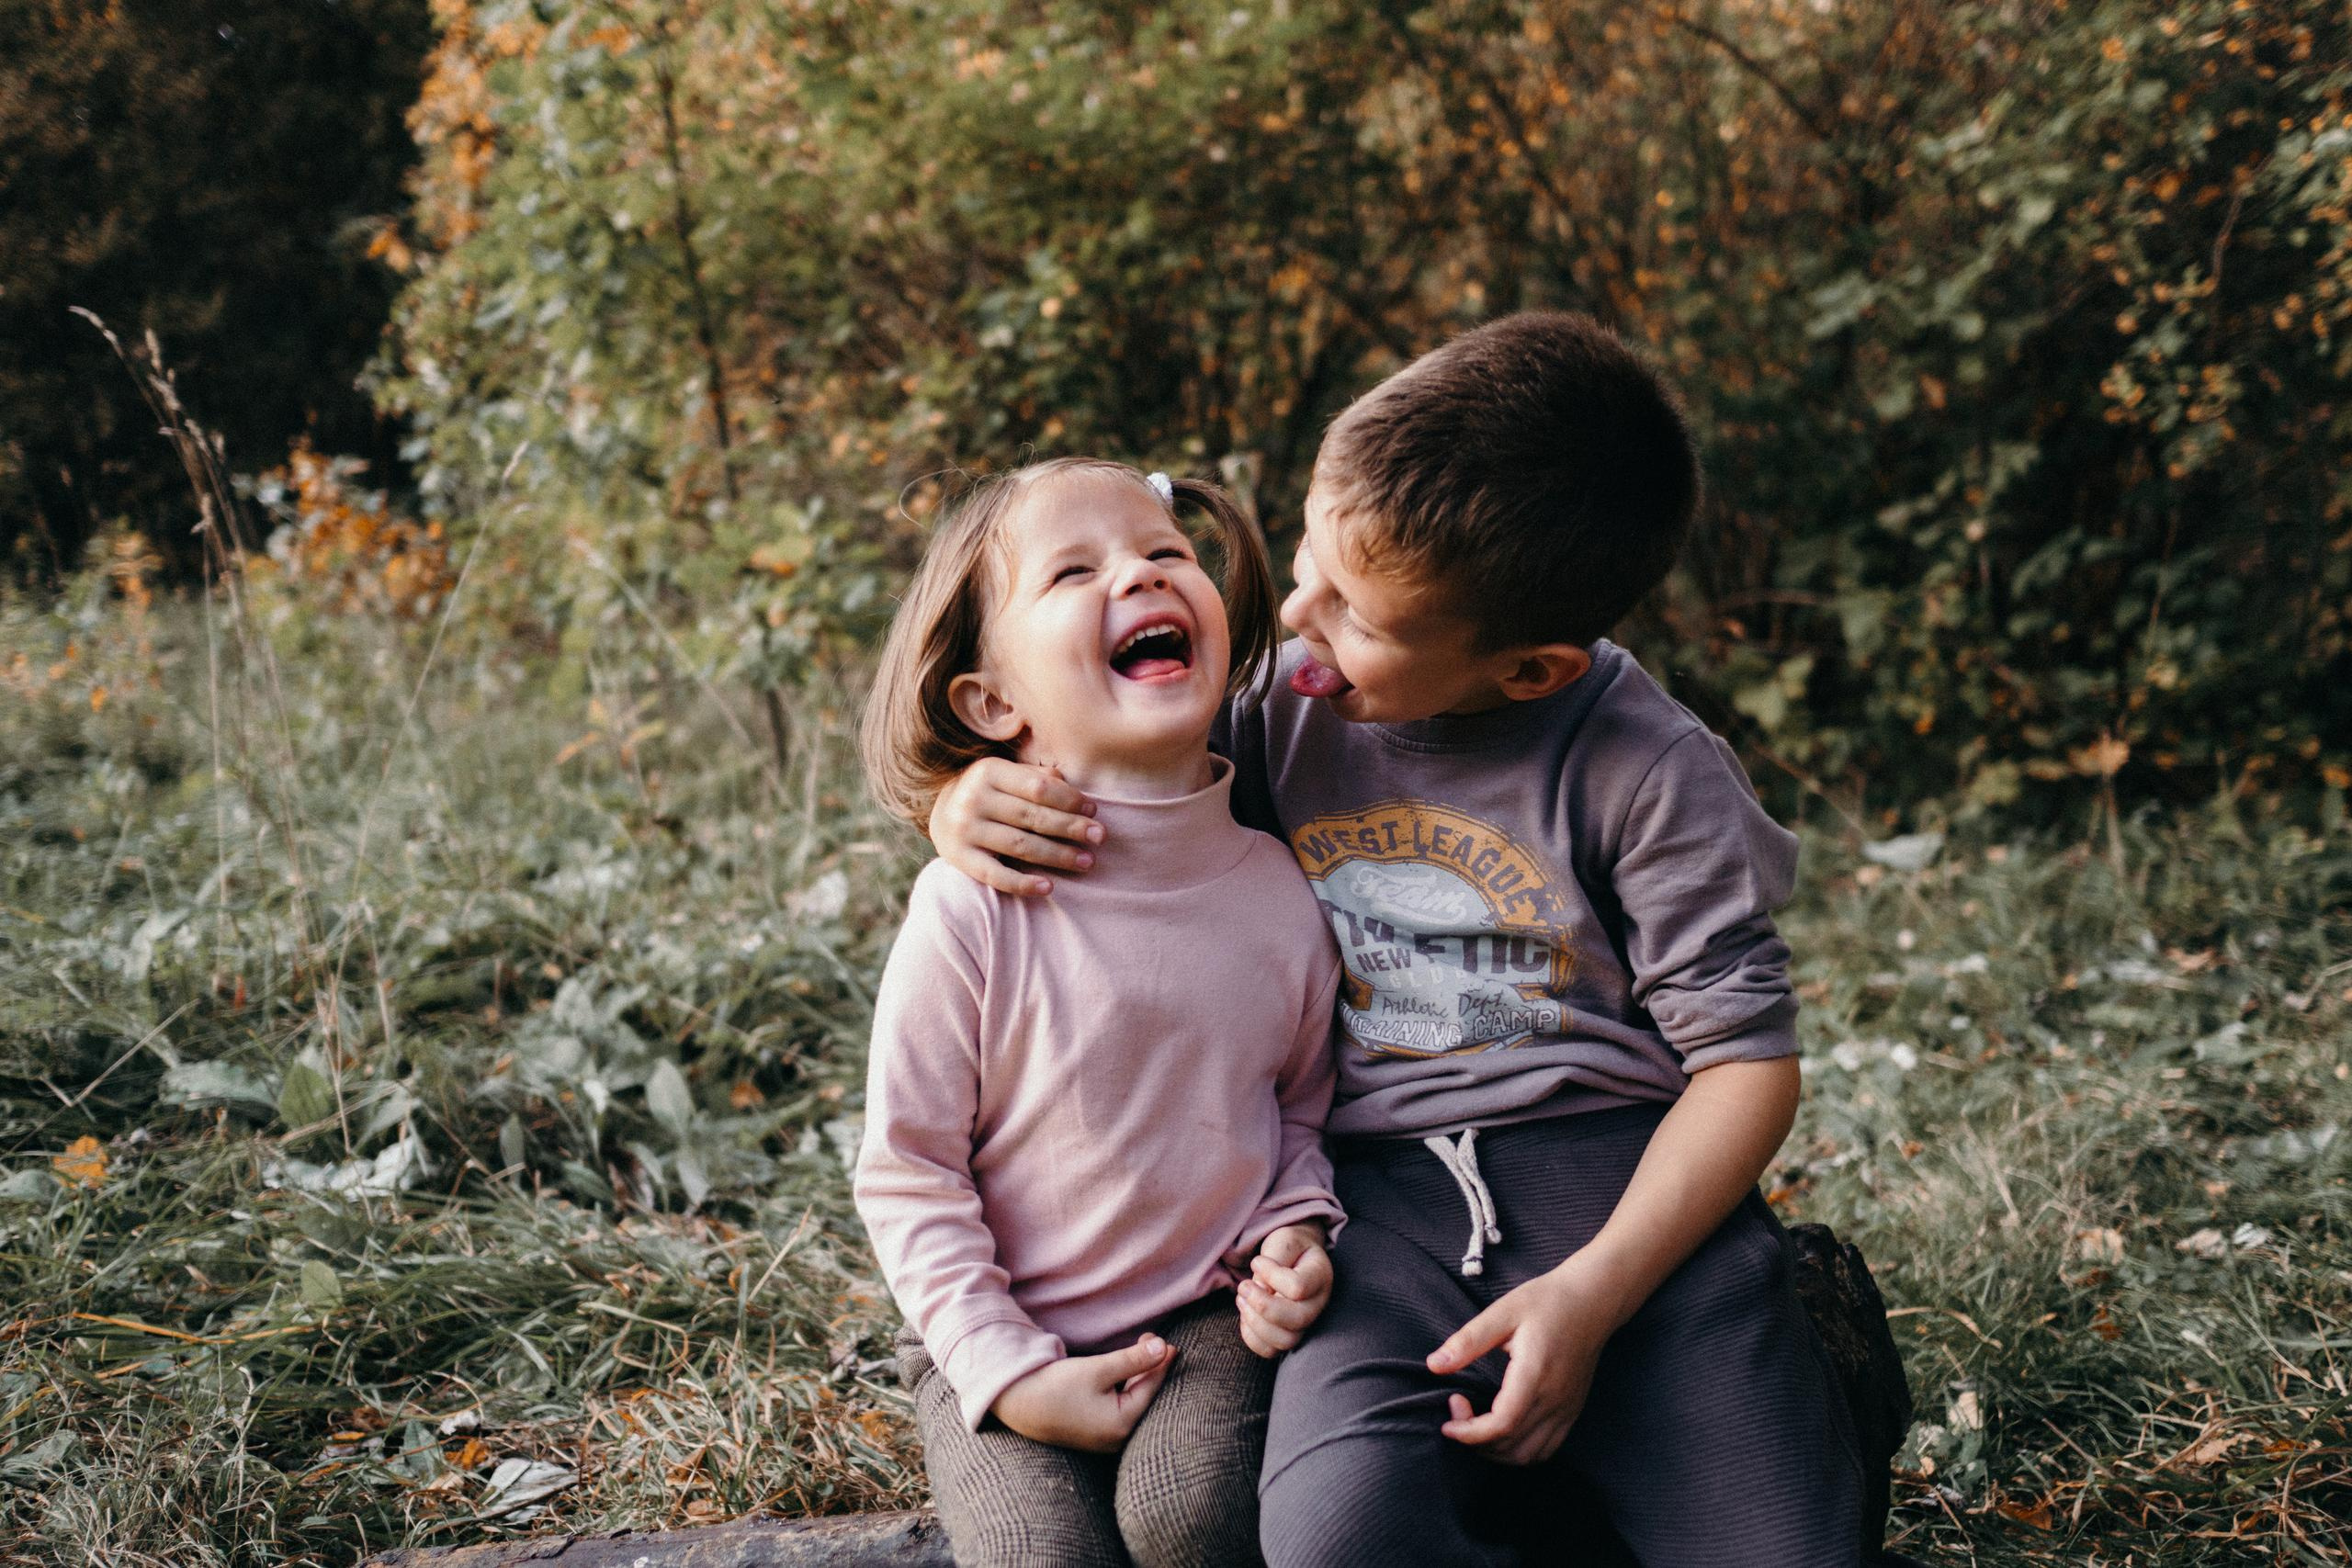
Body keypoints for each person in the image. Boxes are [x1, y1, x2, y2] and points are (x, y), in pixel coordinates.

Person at [927, 314, 1874, 1566]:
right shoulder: (1284, 713)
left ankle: (1816, 1346)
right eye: (1307, 562)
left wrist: (1591, 1295)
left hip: (1630, 1206)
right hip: (1375, 1219)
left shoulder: (1649, 771)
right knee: (1330, 1536)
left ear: (1528, 670)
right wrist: (956, 795)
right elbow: (1108, 775)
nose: (1297, 618)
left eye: (1354, 613)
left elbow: (1747, 1062)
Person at [854, 457, 1348, 1568]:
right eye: (1073, 571)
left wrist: (1294, 1236)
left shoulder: (1279, 891)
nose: (1140, 576)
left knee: (1190, 1518)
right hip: (991, 1327)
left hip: (1204, 1316)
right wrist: (1007, 1372)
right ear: (993, 702)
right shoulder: (974, 904)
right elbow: (908, 1167)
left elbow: (1302, 1116)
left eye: (1167, 554)